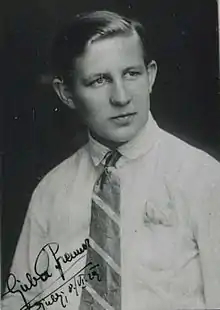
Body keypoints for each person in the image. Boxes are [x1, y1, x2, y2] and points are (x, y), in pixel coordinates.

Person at [2, 10, 220, 310]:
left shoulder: (202, 178)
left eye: (131, 74)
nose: (121, 96)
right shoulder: (51, 191)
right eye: (99, 80)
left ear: (151, 75)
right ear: (66, 93)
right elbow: (19, 301)